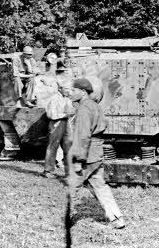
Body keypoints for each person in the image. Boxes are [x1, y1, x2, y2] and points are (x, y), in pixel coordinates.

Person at [67, 78, 126, 229]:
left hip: (86, 153)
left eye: (73, 90)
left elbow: (83, 135)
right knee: (99, 185)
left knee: (72, 186)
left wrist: (79, 159)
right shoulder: (95, 106)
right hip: (96, 151)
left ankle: (63, 221)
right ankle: (117, 218)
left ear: (83, 92)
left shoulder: (84, 108)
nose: (71, 93)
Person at [34, 52, 73, 177]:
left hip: (66, 123)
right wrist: (64, 114)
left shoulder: (66, 98)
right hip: (57, 124)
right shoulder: (54, 98)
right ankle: (48, 170)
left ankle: (69, 172)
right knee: (53, 147)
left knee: (69, 147)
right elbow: (51, 114)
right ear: (61, 89)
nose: (69, 91)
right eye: (67, 89)